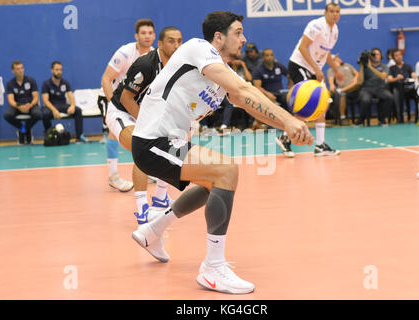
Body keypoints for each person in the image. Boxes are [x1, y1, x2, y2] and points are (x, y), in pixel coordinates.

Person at [131, 11, 314, 294]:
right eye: (238, 32)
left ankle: (152, 231)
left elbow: (246, 99)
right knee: (226, 170)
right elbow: (242, 87)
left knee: (212, 183)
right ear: (219, 37)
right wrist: (289, 120)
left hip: (172, 142)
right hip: (152, 140)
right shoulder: (198, 48)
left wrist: (286, 125)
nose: (244, 39)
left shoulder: (223, 75)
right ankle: (213, 269)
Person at [106, 26, 182, 224]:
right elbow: (126, 97)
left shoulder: (178, 65)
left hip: (148, 113)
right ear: (160, 44)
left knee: (172, 145)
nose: (176, 45)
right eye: (171, 41)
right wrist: (148, 124)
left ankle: (161, 197)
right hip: (122, 111)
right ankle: (142, 210)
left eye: (179, 41)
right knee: (142, 148)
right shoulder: (146, 64)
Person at [101, 19, 156, 192]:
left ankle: (144, 169)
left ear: (154, 36)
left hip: (134, 102)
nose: (147, 36)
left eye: (150, 33)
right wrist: (114, 107)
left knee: (142, 135)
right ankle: (113, 176)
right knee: (114, 132)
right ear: (136, 36)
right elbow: (105, 80)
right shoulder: (125, 53)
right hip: (113, 98)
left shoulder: (154, 55)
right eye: (143, 33)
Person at [285, 2, 343, 158]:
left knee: (321, 104)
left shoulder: (335, 31)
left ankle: (320, 145)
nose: (335, 14)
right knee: (306, 104)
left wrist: (336, 70)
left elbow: (327, 54)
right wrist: (317, 70)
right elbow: (303, 48)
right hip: (299, 65)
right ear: (325, 12)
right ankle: (284, 138)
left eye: (337, 11)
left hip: (312, 69)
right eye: (331, 11)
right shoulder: (316, 25)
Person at [41, 61, 88, 143]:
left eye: (60, 70)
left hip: (62, 105)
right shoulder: (46, 84)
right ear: (52, 70)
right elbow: (45, 100)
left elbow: (70, 95)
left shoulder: (65, 83)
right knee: (45, 114)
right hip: (51, 106)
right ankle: (49, 136)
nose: (59, 72)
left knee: (78, 111)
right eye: (56, 70)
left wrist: (72, 105)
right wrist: (54, 110)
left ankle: (79, 136)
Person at [4, 61, 42, 144]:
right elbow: (11, 100)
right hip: (17, 106)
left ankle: (23, 131)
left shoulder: (31, 80)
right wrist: (19, 107)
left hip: (30, 104)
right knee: (7, 115)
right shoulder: (10, 84)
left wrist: (30, 105)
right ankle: (23, 128)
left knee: (38, 114)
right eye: (18, 69)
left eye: (22, 68)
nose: (21, 70)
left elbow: (36, 97)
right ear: (13, 71)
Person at [355, 48, 394, 126]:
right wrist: (362, 66)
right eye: (373, 54)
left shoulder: (384, 66)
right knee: (365, 100)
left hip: (380, 89)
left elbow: (383, 77)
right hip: (366, 89)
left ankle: (382, 119)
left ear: (381, 56)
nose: (375, 56)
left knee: (389, 97)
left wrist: (371, 67)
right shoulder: (365, 67)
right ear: (370, 57)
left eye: (377, 54)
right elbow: (359, 82)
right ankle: (361, 119)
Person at [326, 53, 359, 126]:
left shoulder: (347, 65)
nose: (339, 58)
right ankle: (342, 117)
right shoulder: (331, 70)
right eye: (336, 58)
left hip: (354, 88)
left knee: (357, 82)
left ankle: (342, 90)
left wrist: (355, 78)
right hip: (342, 90)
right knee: (341, 94)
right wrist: (332, 85)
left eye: (338, 57)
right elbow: (331, 81)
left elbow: (357, 74)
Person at [387, 49, 417, 123]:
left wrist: (414, 76)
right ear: (393, 58)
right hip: (398, 89)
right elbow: (389, 79)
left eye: (400, 55)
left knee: (418, 93)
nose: (399, 57)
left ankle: (418, 116)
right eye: (396, 55)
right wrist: (396, 78)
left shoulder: (408, 66)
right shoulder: (392, 68)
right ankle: (400, 118)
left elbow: (413, 75)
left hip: (408, 88)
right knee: (397, 92)